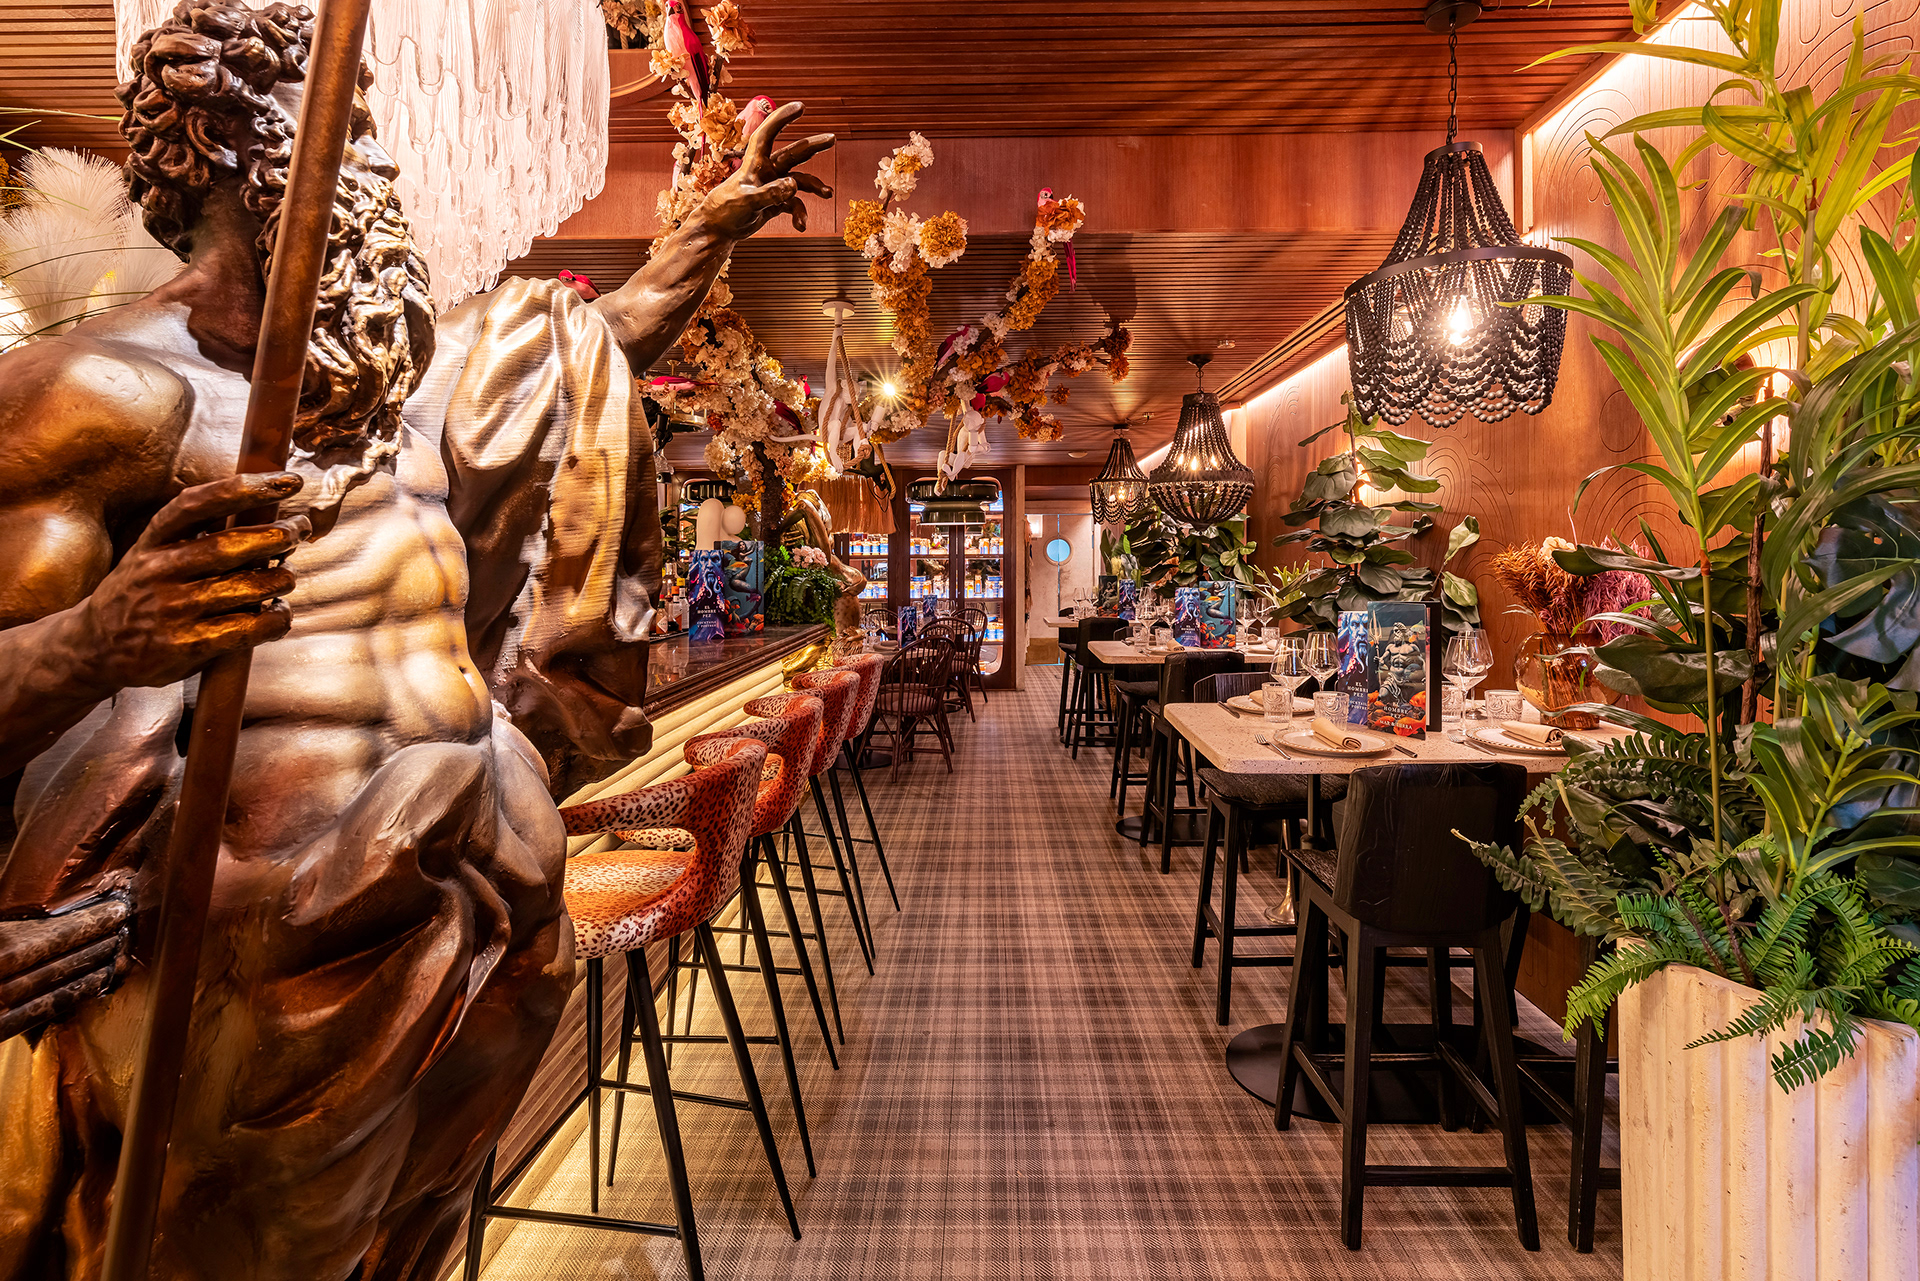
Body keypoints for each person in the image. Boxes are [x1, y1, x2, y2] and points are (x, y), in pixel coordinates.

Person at [0, 3, 831, 1278]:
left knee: (415, 1241)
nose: (381, 167)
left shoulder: (389, 384)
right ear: (236, 154)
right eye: (350, 134)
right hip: (266, 946)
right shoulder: (99, 392)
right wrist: (105, 638)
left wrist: (696, 242)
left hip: (483, 878)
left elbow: (587, 355)